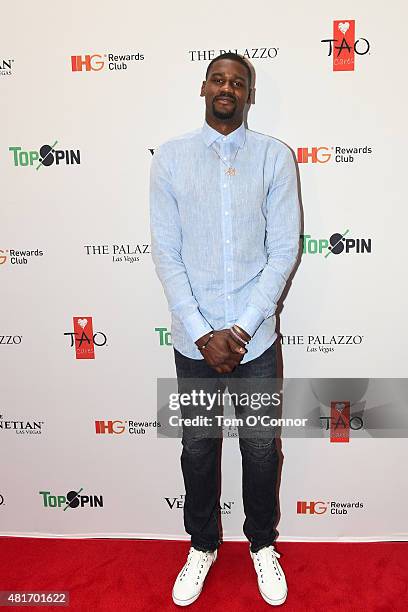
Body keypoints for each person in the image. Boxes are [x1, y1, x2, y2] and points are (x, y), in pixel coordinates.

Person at [150, 52, 300, 607]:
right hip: (194, 342)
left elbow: (284, 251)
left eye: (238, 81)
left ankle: (262, 545)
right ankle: (202, 545)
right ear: (203, 86)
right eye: (219, 79)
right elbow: (166, 254)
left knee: (261, 450)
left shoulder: (274, 158)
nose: (227, 88)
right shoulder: (170, 159)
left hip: (255, 340)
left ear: (249, 94)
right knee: (197, 448)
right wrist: (201, 332)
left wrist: (238, 330)